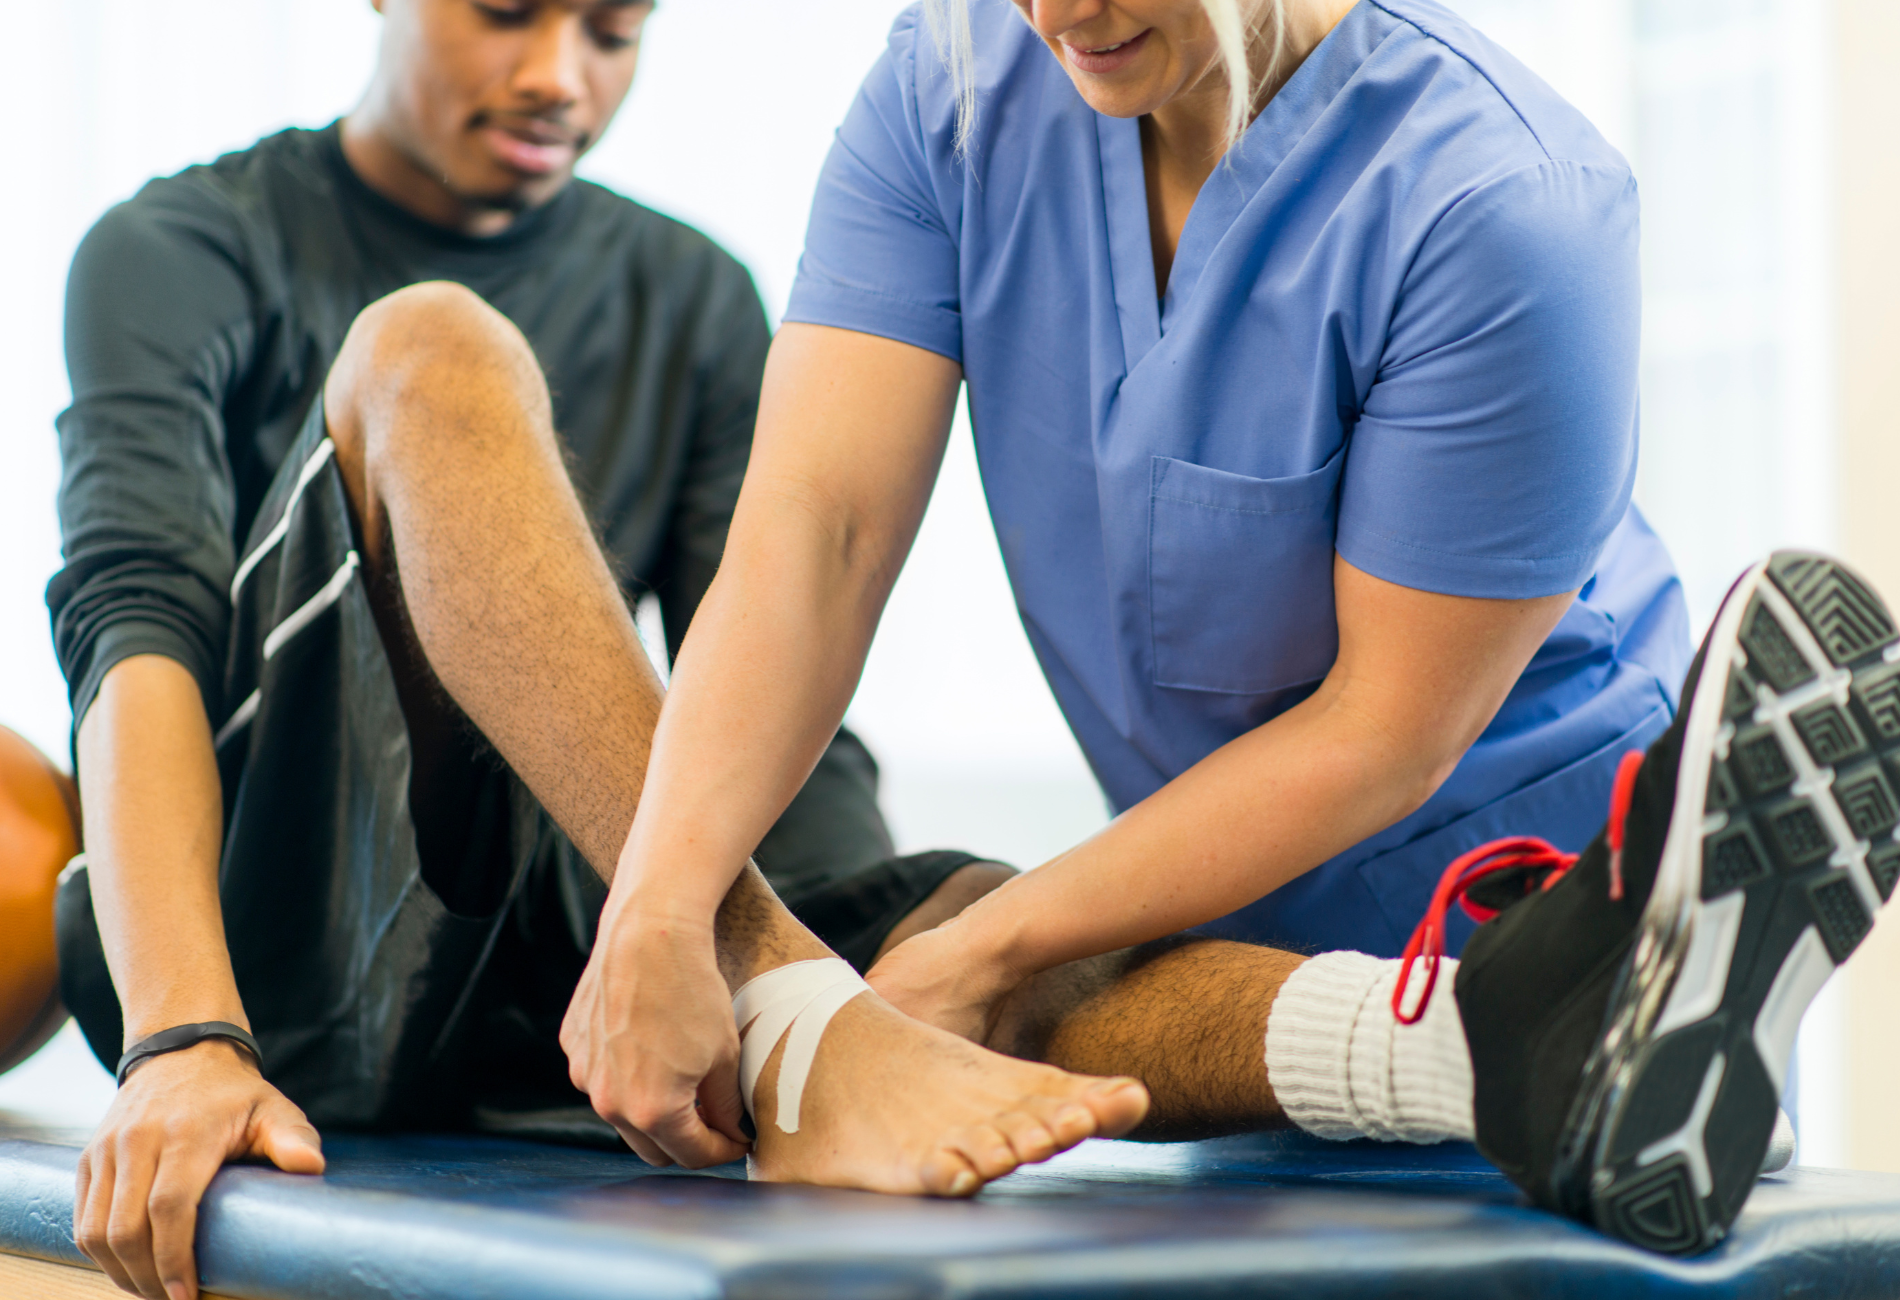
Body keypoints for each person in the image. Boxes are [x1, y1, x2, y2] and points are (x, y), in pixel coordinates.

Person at [553, 0, 1889, 1260]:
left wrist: (987, 954)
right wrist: (661, 904)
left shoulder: (1501, 205)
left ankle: (1599, 1014)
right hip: (1223, 949)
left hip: (1516, 887)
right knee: (978, 936)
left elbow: (1384, 733)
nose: (1060, 11)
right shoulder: (954, 83)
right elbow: (819, 533)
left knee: (978, 940)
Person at [39, 3, 1152, 1298]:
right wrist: (180, 1036)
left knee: (996, 927)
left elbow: (772, 681)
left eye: (613, 34)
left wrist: (871, 960)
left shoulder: (688, 290)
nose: (557, 78)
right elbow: (132, 641)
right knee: (427, 345)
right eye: (506, 14)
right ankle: (809, 1017)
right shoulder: (175, 246)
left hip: (585, 977)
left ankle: (1399, 1051)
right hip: (282, 963)